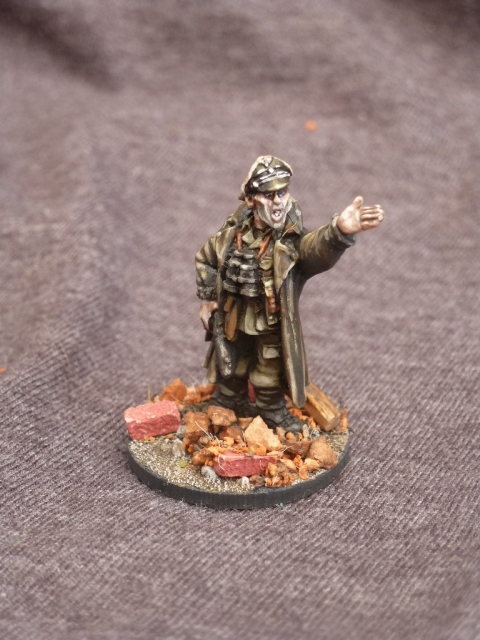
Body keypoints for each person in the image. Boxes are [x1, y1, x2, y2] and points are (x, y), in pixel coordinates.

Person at [196, 156, 384, 432]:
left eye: (282, 193)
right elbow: (206, 259)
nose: (278, 202)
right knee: (232, 364)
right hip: (233, 317)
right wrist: (210, 299)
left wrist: (338, 231)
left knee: (270, 367)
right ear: (251, 200)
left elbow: (314, 250)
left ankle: (270, 410)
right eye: (268, 195)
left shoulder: (291, 244)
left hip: (270, 321)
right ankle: (229, 400)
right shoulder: (229, 238)